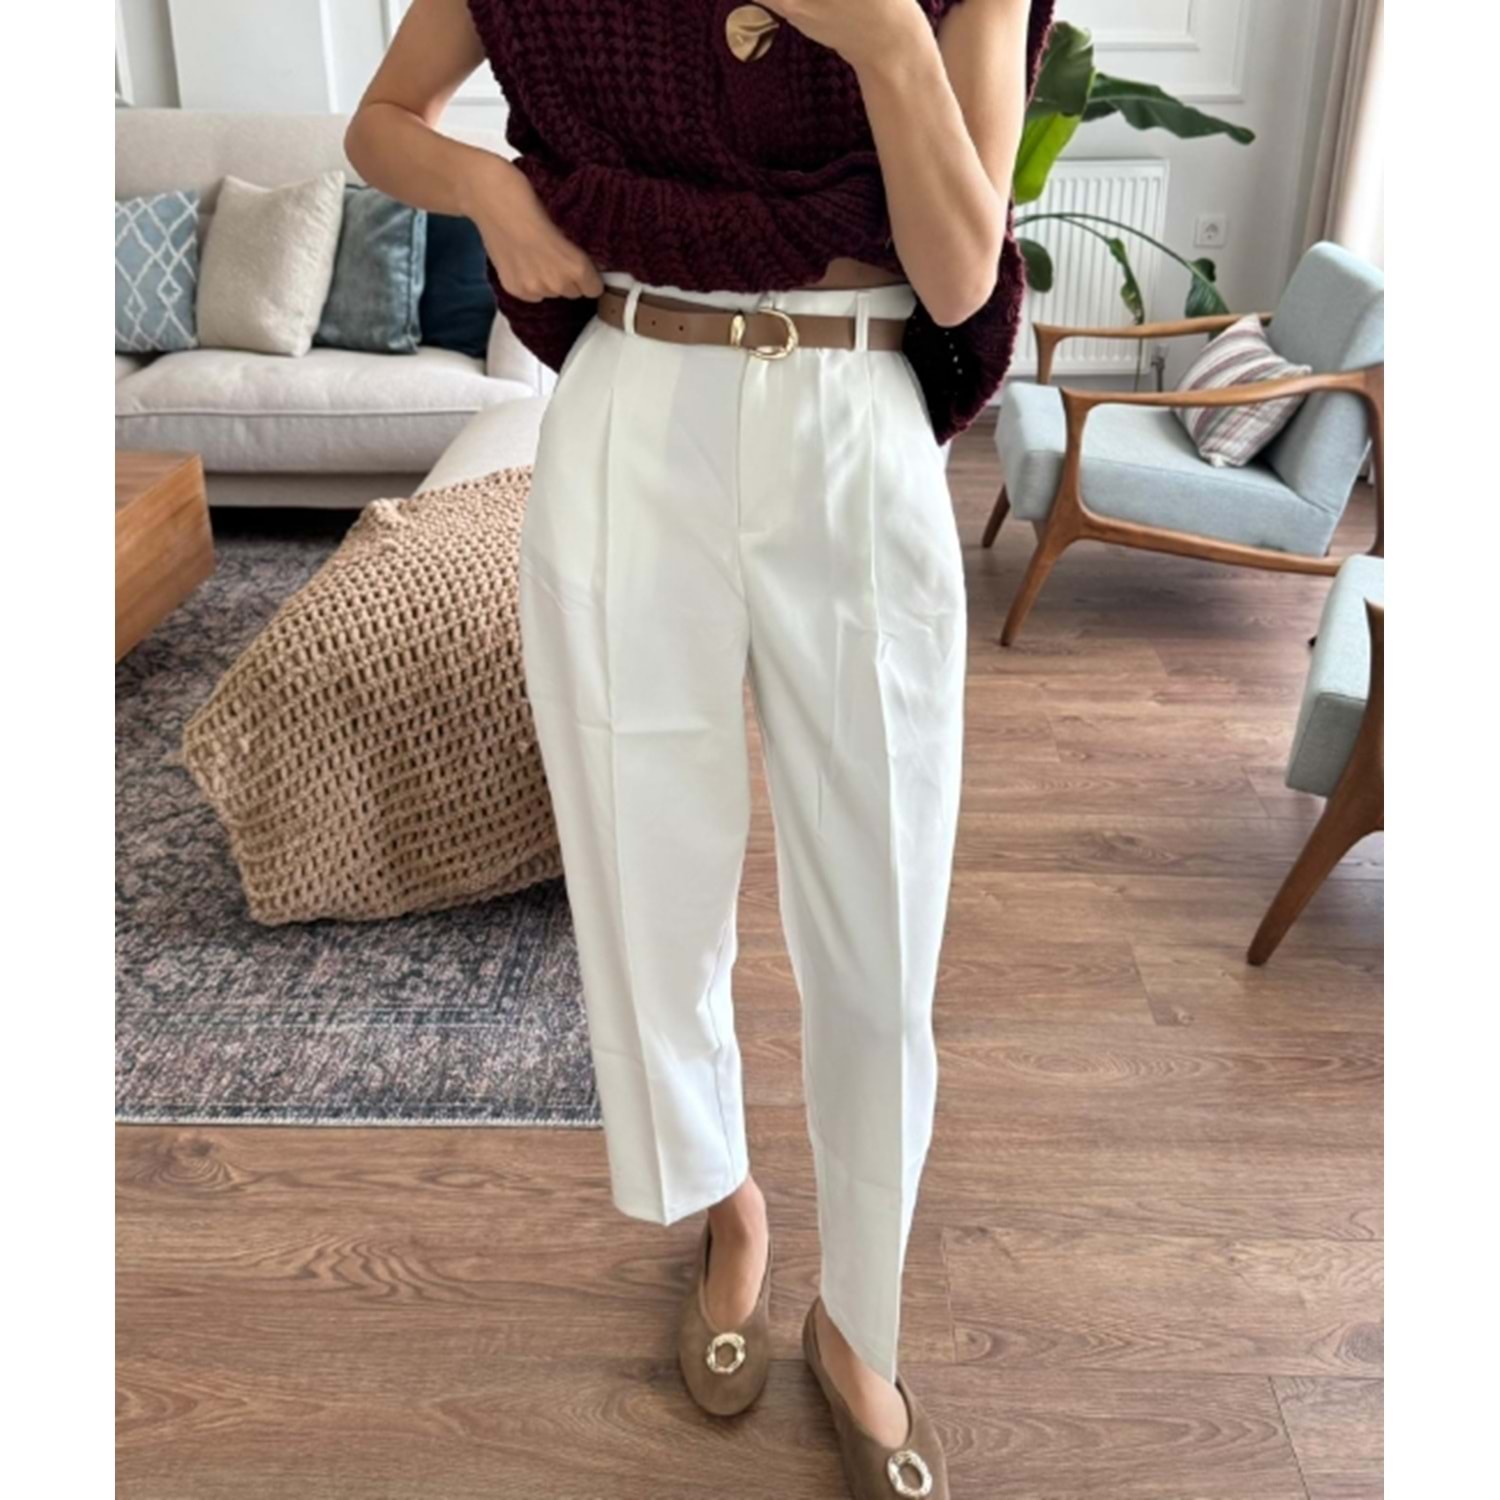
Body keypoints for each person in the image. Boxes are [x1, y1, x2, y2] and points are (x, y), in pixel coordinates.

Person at [346, 2, 1053, 1493]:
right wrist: (491, 190)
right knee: (642, 873)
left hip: (854, 407)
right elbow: (381, 123)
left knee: (882, 916)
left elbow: (958, 275)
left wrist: (888, 43)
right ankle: (727, 1205)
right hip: (633, 396)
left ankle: (862, 1322)